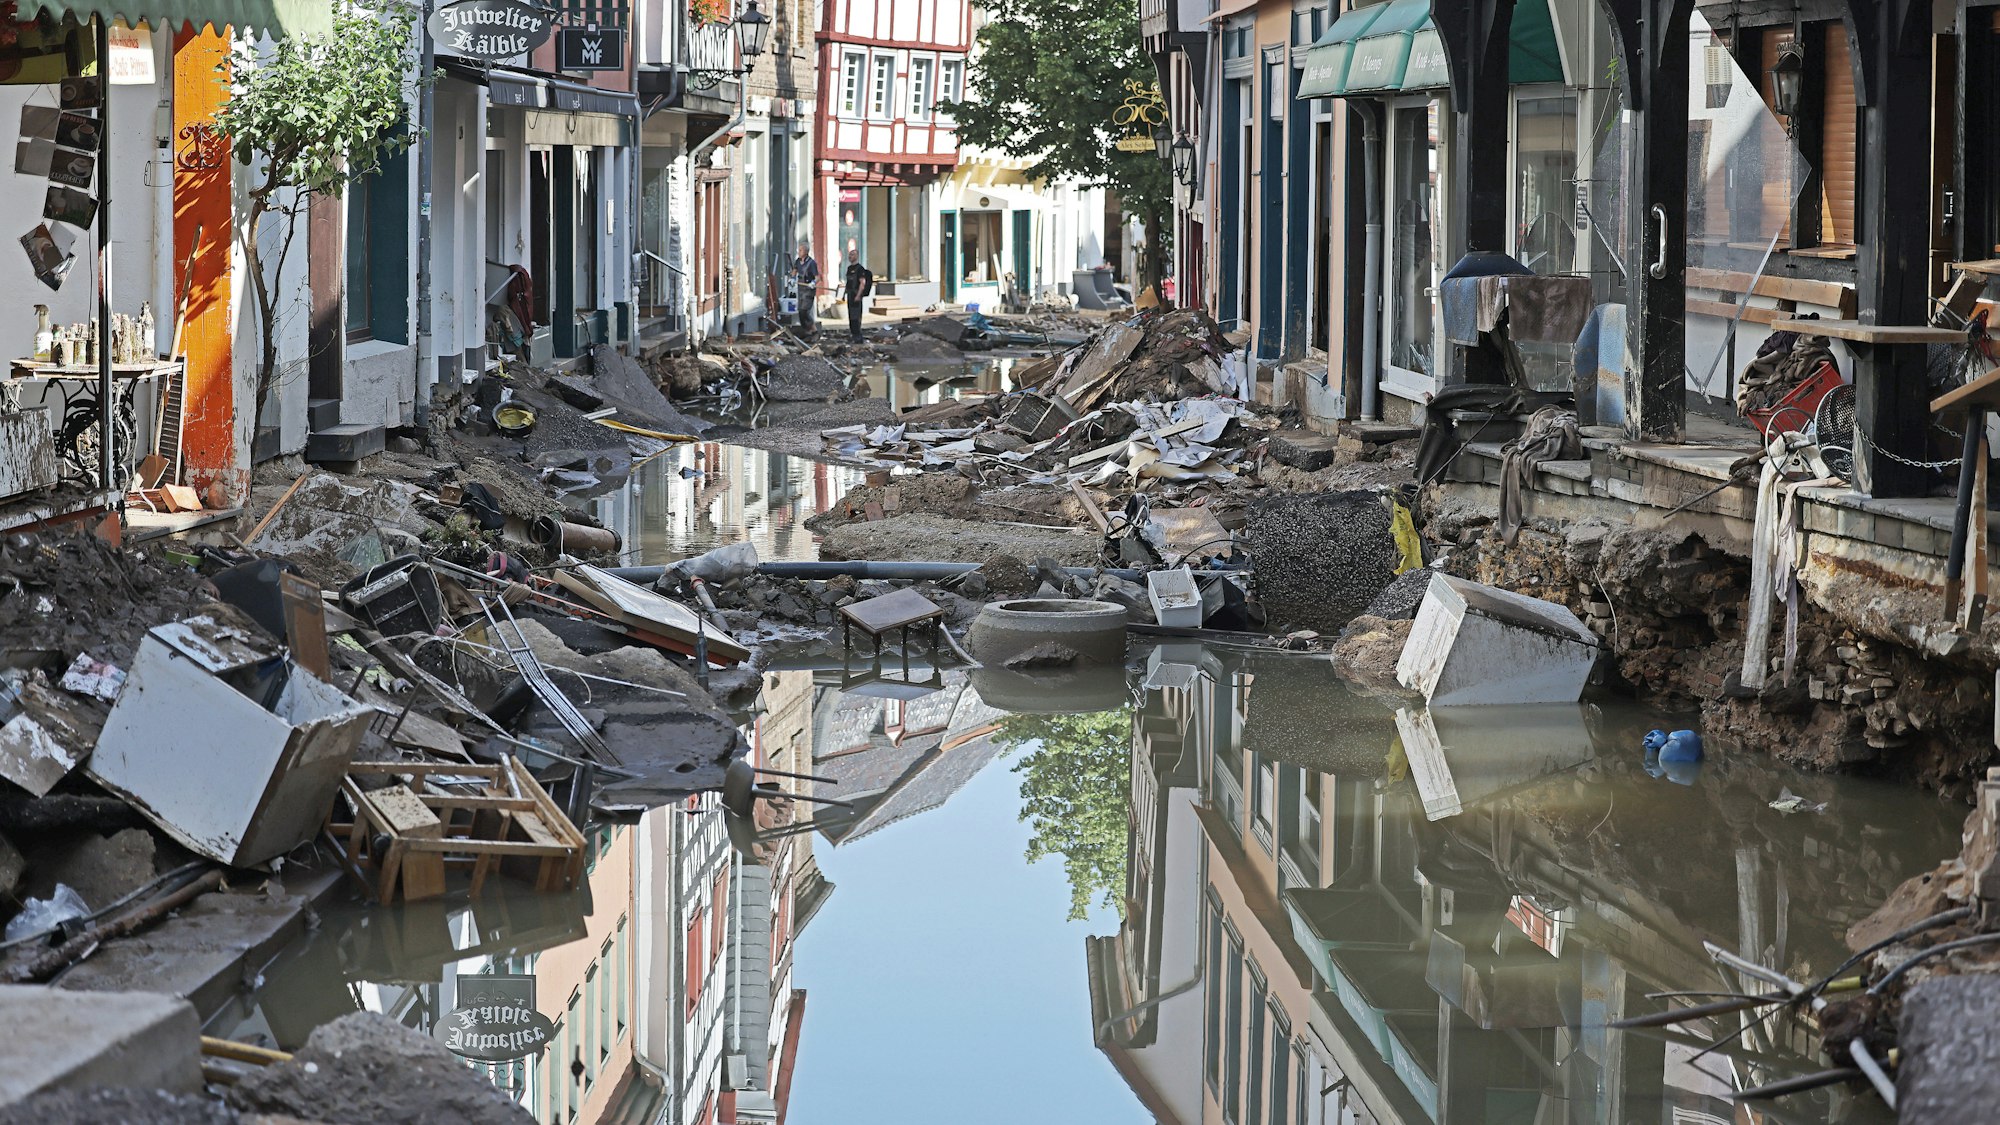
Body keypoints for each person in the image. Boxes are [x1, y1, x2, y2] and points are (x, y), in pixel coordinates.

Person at [843, 249, 874, 343]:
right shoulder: (849, 268)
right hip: (850, 294)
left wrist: (858, 295)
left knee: (856, 316)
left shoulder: (860, 269)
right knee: (851, 316)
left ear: (857, 256)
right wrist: (844, 294)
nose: (850, 256)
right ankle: (853, 334)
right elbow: (848, 282)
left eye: (852, 255)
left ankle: (858, 336)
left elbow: (862, 283)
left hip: (856, 295)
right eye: (849, 255)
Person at [790, 241, 820, 336]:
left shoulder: (811, 263)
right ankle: (807, 331)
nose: (798, 252)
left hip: (809, 290)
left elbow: (818, 277)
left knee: (804, 311)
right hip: (801, 289)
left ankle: (814, 330)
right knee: (800, 311)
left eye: (800, 250)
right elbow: (794, 271)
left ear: (806, 251)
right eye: (798, 250)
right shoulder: (798, 261)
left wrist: (813, 282)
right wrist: (792, 279)